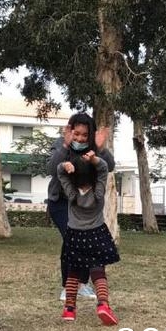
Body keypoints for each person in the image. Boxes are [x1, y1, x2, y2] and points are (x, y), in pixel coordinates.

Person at [46, 113, 115, 302]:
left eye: (85, 135)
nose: (80, 138)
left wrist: (100, 149)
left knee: (87, 240)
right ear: (70, 131)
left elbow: (109, 166)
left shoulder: (94, 147)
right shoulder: (61, 143)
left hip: (84, 204)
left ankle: (82, 284)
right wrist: (65, 146)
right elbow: (51, 169)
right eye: (76, 134)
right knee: (71, 240)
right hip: (61, 202)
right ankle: (67, 286)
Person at [57, 150, 120, 324]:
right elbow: (104, 168)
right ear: (93, 177)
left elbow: (60, 173)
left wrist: (64, 166)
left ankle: (69, 309)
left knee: (73, 271)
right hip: (96, 233)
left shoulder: (71, 194)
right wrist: (94, 159)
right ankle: (103, 305)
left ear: (73, 178)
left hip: (74, 234)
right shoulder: (98, 193)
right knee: (98, 270)